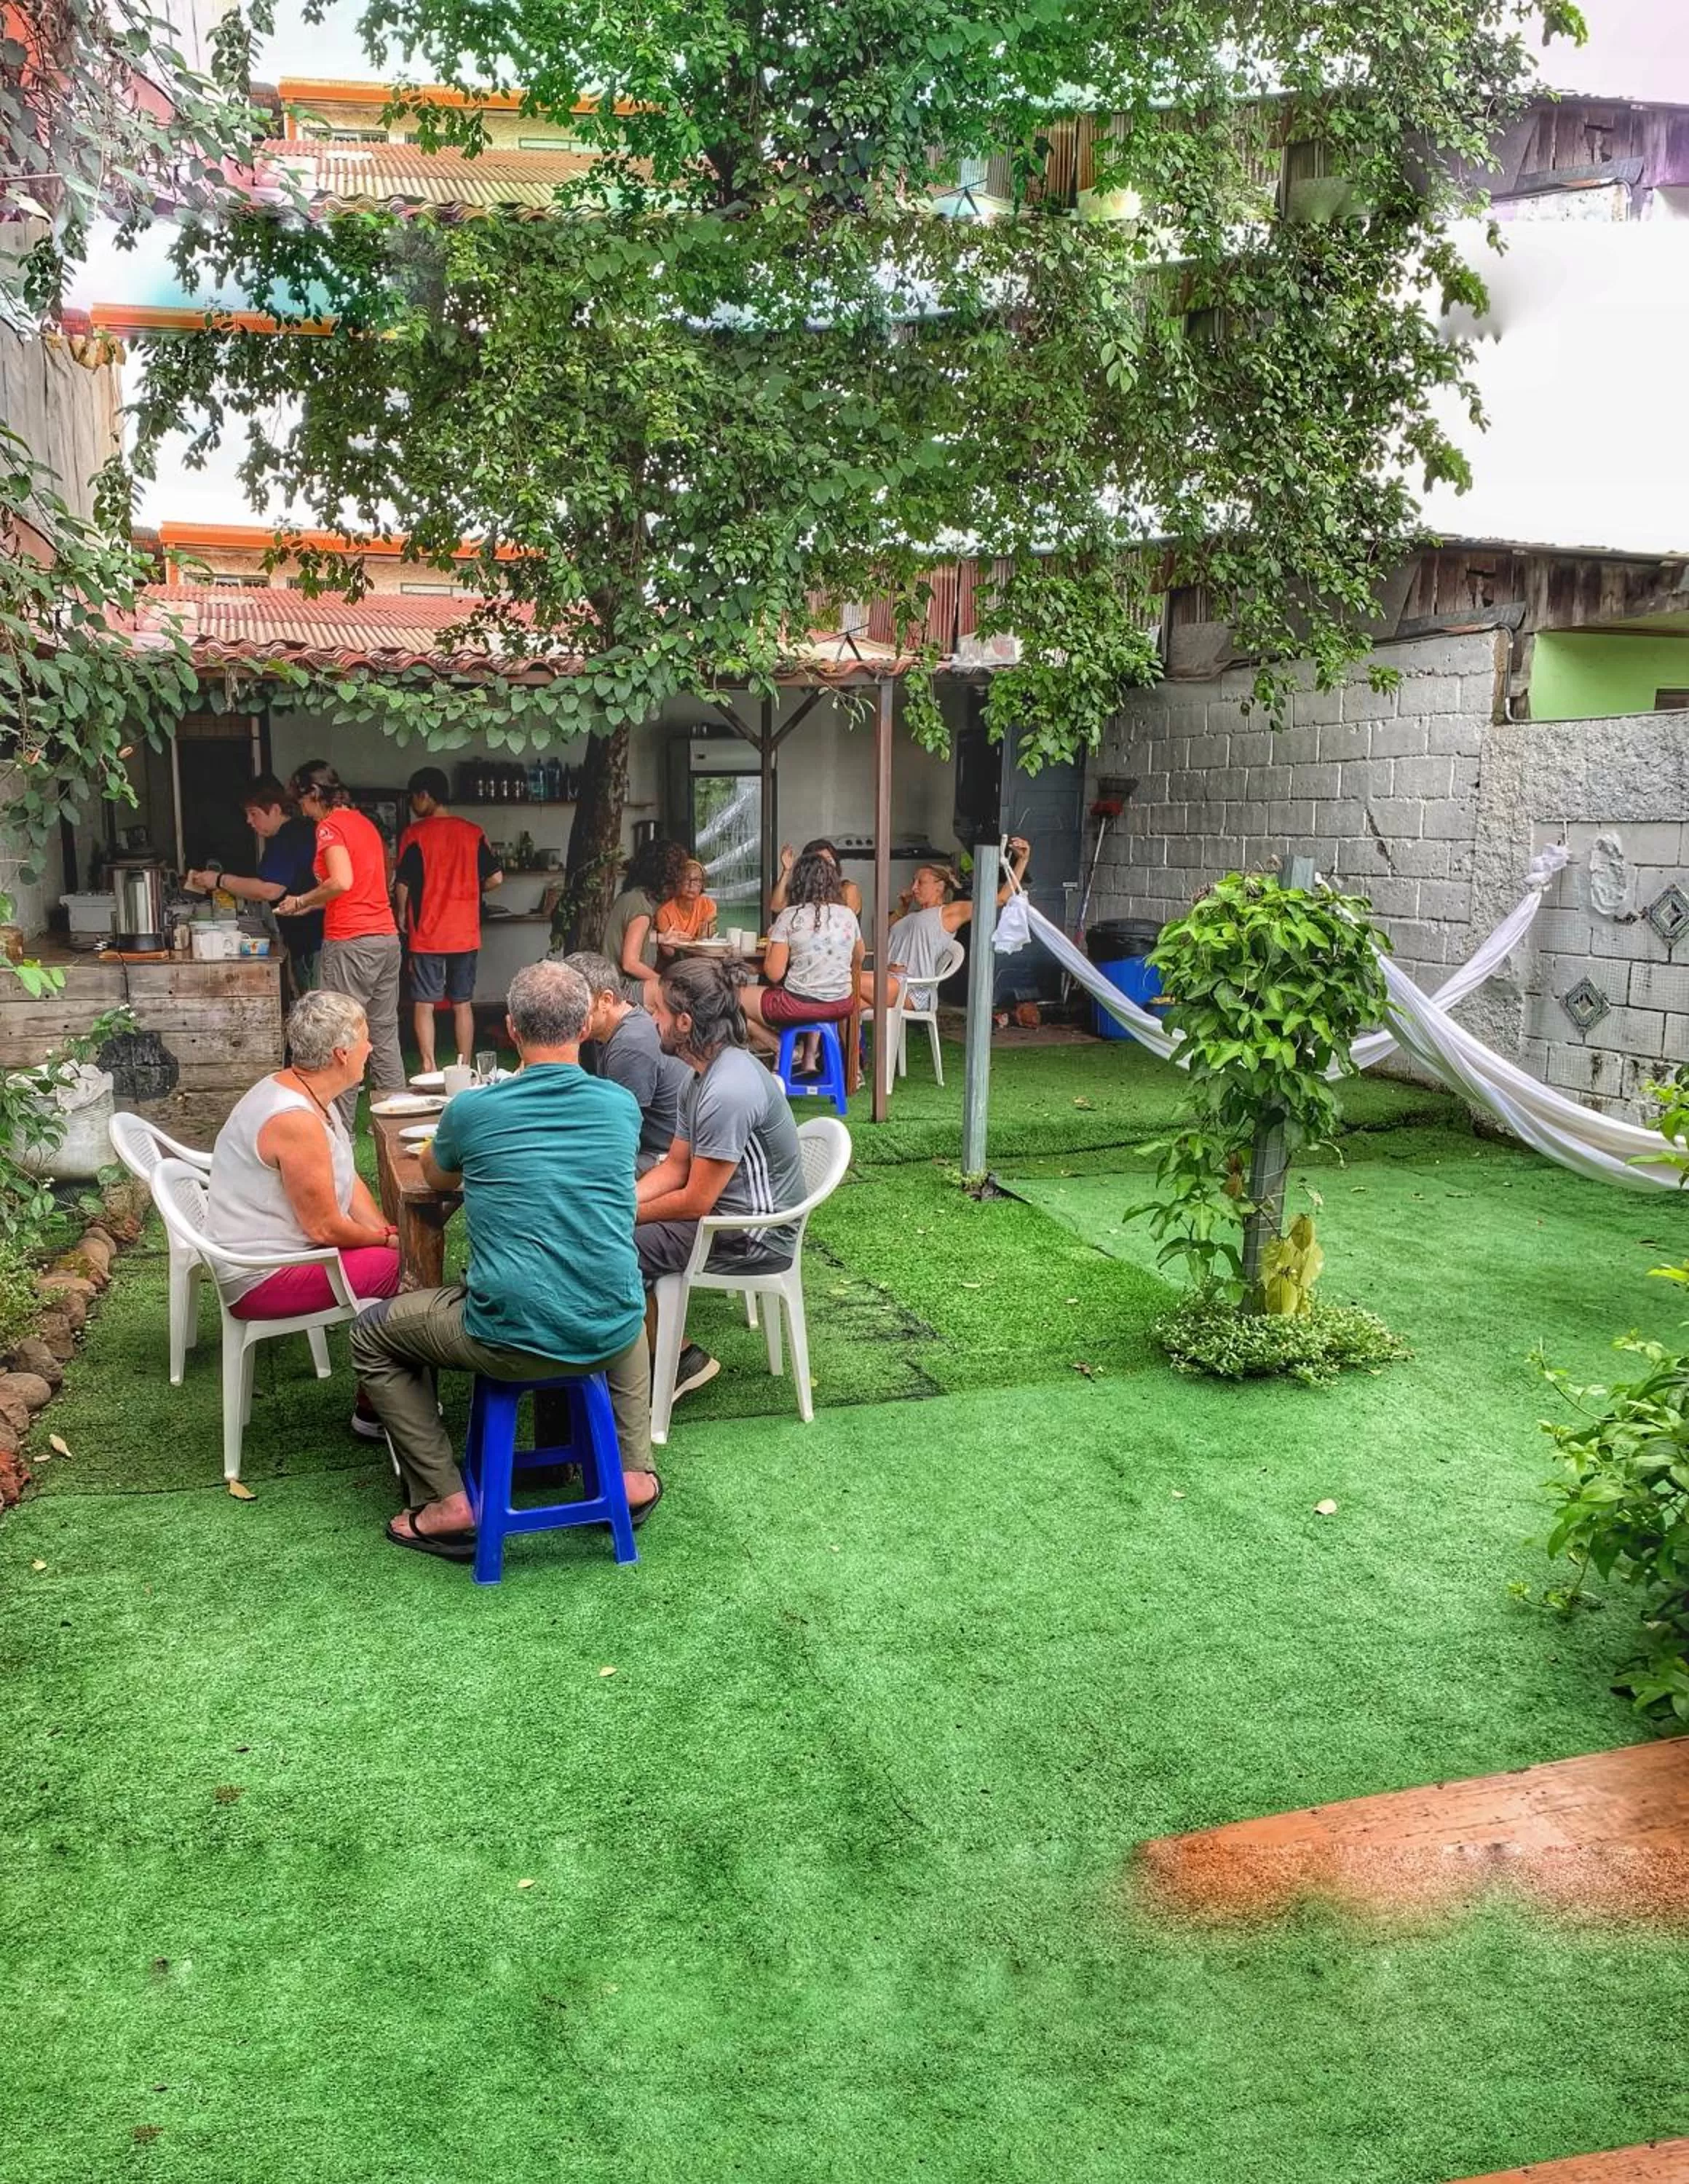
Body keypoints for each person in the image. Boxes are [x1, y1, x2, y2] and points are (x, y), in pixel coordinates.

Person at [350, 960, 662, 1559]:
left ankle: (445, 1500)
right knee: (616, 1298)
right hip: (611, 1324)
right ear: (583, 1025)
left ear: (512, 1029)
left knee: (371, 1335)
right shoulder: (619, 1107)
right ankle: (634, 1473)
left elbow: (437, 1174)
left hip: (507, 1334)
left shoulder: (473, 1111)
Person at [205, 989, 400, 1438]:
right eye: (366, 1040)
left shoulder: (307, 1090)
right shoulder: (295, 1118)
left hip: (281, 1255)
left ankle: (388, 1396)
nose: (371, 1049)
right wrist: (386, 1243)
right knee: (402, 1269)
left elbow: (347, 1180)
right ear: (341, 1053)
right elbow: (323, 1227)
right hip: (262, 1277)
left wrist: (382, 1228)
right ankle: (378, 1410)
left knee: (397, 1255)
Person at [636, 956, 807, 1406]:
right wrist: (623, 1200)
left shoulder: (728, 1088)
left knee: (612, 1245)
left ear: (685, 1022)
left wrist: (621, 1215)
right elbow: (675, 1165)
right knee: (614, 1216)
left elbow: (696, 1199)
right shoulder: (698, 1076)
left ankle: (670, 1363)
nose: (652, 1019)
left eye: (659, 1011)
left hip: (752, 1235)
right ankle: (657, 1358)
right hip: (722, 1215)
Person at [274, 761, 406, 1130]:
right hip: (385, 937)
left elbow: (342, 881)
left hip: (351, 942)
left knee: (340, 1035)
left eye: (301, 801)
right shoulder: (365, 823)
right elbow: (362, 883)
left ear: (314, 794)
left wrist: (301, 900)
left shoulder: (329, 828)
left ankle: (339, 1131)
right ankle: (397, 1124)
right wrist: (312, 903)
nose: (301, 810)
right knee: (383, 1030)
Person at [394, 766, 503, 1072]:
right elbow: (496, 878)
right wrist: (472, 887)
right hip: (465, 932)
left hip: (428, 932)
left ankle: (428, 1065)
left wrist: (402, 914)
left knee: (424, 1002)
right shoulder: (473, 832)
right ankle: (464, 1065)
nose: (415, 806)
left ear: (424, 795)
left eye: (415, 798)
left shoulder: (415, 834)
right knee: (462, 1002)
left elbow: (403, 882)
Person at [186, 775, 321, 1000]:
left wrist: (219, 880)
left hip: (314, 942)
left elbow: (269, 890)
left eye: (254, 814)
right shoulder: (301, 831)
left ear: (276, 810)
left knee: (318, 1011)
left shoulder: (286, 839)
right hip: (312, 938)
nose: (249, 821)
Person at [565, 951, 691, 1171]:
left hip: (661, 1156)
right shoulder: (599, 1029)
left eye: (574, 1004)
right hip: (640, 1144)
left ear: (606, 1000)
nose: (566, 1014)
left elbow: (619, 1134)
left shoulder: (631, 1043)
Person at [743, 847, 863, 1068]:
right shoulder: (847, 914)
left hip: (797, 1005)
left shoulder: (790, 916)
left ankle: (779, 1046)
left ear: (797, 882)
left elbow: (774, 973)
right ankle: (810, 1058)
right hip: (841, 1005)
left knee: (731, 999)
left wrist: (772, 943)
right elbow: (859, 956)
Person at [885, 836, 1032, 1010]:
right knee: (851, 998)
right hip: (889, 980)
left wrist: (1022, 860)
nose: (914, 888)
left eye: (921, 883)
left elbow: (1000, 899)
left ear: (939, 887)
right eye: (913, 882)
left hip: (910, 989)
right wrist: (903, 908)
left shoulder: (948, 912)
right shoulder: (912, 915)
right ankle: (859, 1039)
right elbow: (884, 931)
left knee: (852, 988)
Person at [600, 838, 689, 1004]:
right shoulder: (641, 907)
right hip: (623, 989)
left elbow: (627, 937)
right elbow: (630, 964)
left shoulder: (630, 897)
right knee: (685, 998)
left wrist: (660, 938)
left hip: (611, 984)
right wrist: (665, 982)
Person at [770, 839, 863, 920]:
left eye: (829, 860)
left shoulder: (847, 889)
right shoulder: (802, 891)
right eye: (818, 862)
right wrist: (787, 870)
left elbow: (844, 924)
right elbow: (776, 907)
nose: (824, 866)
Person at [653, 858, 718, 946]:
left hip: (702, 955)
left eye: (697, 880)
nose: (692, 885)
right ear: (678, 882)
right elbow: (669, 952)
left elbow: (706, 939)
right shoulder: (664, 912)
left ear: (702, 885)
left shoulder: (708, 905)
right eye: (687, 879)